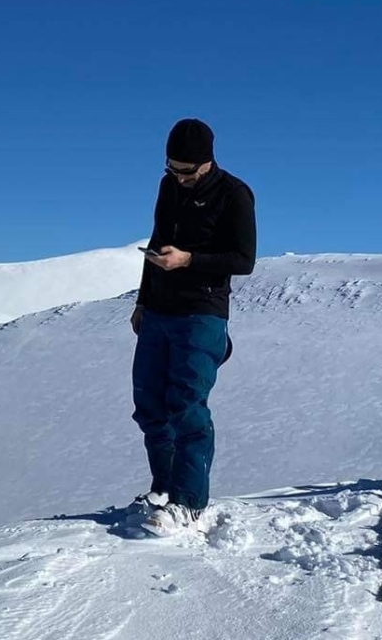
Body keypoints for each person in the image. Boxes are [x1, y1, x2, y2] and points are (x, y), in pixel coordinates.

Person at [130, 117, 256, 536]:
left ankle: (189, 503)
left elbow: (243, 260)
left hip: (202, 311)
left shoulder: (235, 194)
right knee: (150, 405)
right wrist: (142, 300)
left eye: (186, 171)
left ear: (206, 163)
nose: (177, 178)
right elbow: (156, 238)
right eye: (171, 169)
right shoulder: (168, 187)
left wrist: (189, 260)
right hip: (159, 311)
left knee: (186, 405)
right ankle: (163, 490)